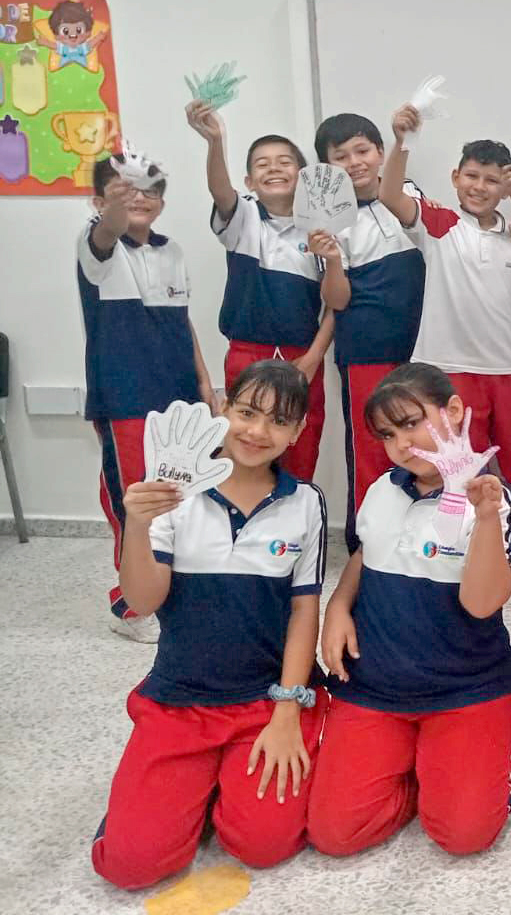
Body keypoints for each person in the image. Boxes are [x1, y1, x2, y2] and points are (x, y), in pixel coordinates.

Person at [92, 361, 327, 889]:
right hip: (181, 699)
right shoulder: (173, 495)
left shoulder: (305, 503)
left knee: (265, 844)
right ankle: (178, 793)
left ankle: (219, 785)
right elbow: (143, 599)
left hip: (264, 700)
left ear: (297, 432)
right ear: (223, 407)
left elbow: (303, 610)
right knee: (131, 864)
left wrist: (288, 709)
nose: (258, 431)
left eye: (279, 421)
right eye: (247, 412)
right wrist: (138, 524)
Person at [308, 364, 511, 857]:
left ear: (454, 411)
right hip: (375, 687)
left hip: (464, 690)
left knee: (465, 836)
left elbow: (483, 603)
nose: (401, 444)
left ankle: (466, 780)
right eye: (388, 434)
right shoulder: (382, 488)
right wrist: (338, 605)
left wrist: (485, 518)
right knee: (335, 833)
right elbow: (369, 553)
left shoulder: (497, 502)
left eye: (411, 423)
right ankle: (418, 774)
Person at [383, 109, 511, 491]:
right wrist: (401, 142)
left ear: (505, 188)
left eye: (492, 180)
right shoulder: (440, 223)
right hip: (448, 369)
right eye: (472, 176)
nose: (480, 187)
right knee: (455, 472)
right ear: (455, 177)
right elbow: (390, 195)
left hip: (508, 368)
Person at [79, 156, 216, 641]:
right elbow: (110, 227)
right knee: (135, 501)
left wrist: (205, 383)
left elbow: (182, 322)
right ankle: (131, 606)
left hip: (180, 397)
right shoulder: (97, 245)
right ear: (100, 201)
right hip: (126, 398)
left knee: (182, 498)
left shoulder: (171, 250)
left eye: (150, 190)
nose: (140, 198)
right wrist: (118, 204)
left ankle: (172, 590)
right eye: (126, 189)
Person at [188, 100, 331, 483]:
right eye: (262, 164)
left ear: (302, 176)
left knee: (300, 451)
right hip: (248, 353)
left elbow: (336, 304)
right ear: (250, 181)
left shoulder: (321, 228)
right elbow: (220, 191)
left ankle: (294, 519)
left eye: (285, 162)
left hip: (303, 358)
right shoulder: (244, 217)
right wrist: (215, 142)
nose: (274, 168)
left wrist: (314, 358)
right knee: (244, 452)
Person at [311, 111, 425, 551]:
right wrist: (333, 260)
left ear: (380, 152)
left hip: (421, 347)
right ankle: (367, 544)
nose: (355, 162)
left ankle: (416, 535)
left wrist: (402, 139)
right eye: (340, 156)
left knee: (423, 442)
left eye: (362, 150)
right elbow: (336, 300)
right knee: (373, 446)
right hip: (365, 350)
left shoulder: (408, 195)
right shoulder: (326, 220)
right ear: (327, 167)